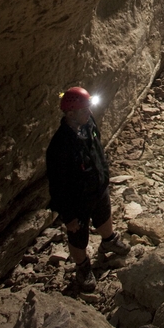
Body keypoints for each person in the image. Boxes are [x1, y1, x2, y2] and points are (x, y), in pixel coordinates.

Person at [46, 86, 130, 292]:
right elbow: (58, 184)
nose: (89, 113)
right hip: (77, 200)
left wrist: (104, 177)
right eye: (85, 110)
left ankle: (109, 240)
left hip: (97, 187)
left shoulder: (88, 124)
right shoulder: (60, 146)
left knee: (104, 216)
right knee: (77, 235)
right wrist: (68, 216)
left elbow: (97, 149)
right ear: (70, 113)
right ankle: (82, 267)